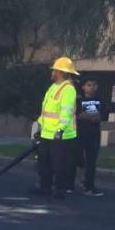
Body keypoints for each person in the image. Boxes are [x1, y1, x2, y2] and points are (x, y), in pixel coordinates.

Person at [33, 57, 79, 199]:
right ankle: (45, 187)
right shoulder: (53, 88)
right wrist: (39, 126)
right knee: (43, 163)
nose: (52, 72)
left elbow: (66, 112)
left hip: (61, 135)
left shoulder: (68, 89)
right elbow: (46, 110)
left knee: (59, 165)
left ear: (60, 72)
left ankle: (60, 190)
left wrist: (60, 129)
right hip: (47, 133)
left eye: (54, 70)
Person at [71, 76, 107, 196]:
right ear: (83, 87)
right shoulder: (78, 100)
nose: (91, 87)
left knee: (92, 161)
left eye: (94, 85)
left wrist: (94, 116)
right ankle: (69, 185)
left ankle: (89, 186)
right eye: (89, 85)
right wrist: (86, 115)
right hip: (80, 134)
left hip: (94, 134)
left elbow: (103, 115)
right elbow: (75, 115)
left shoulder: (100, 100)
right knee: (76, 159)